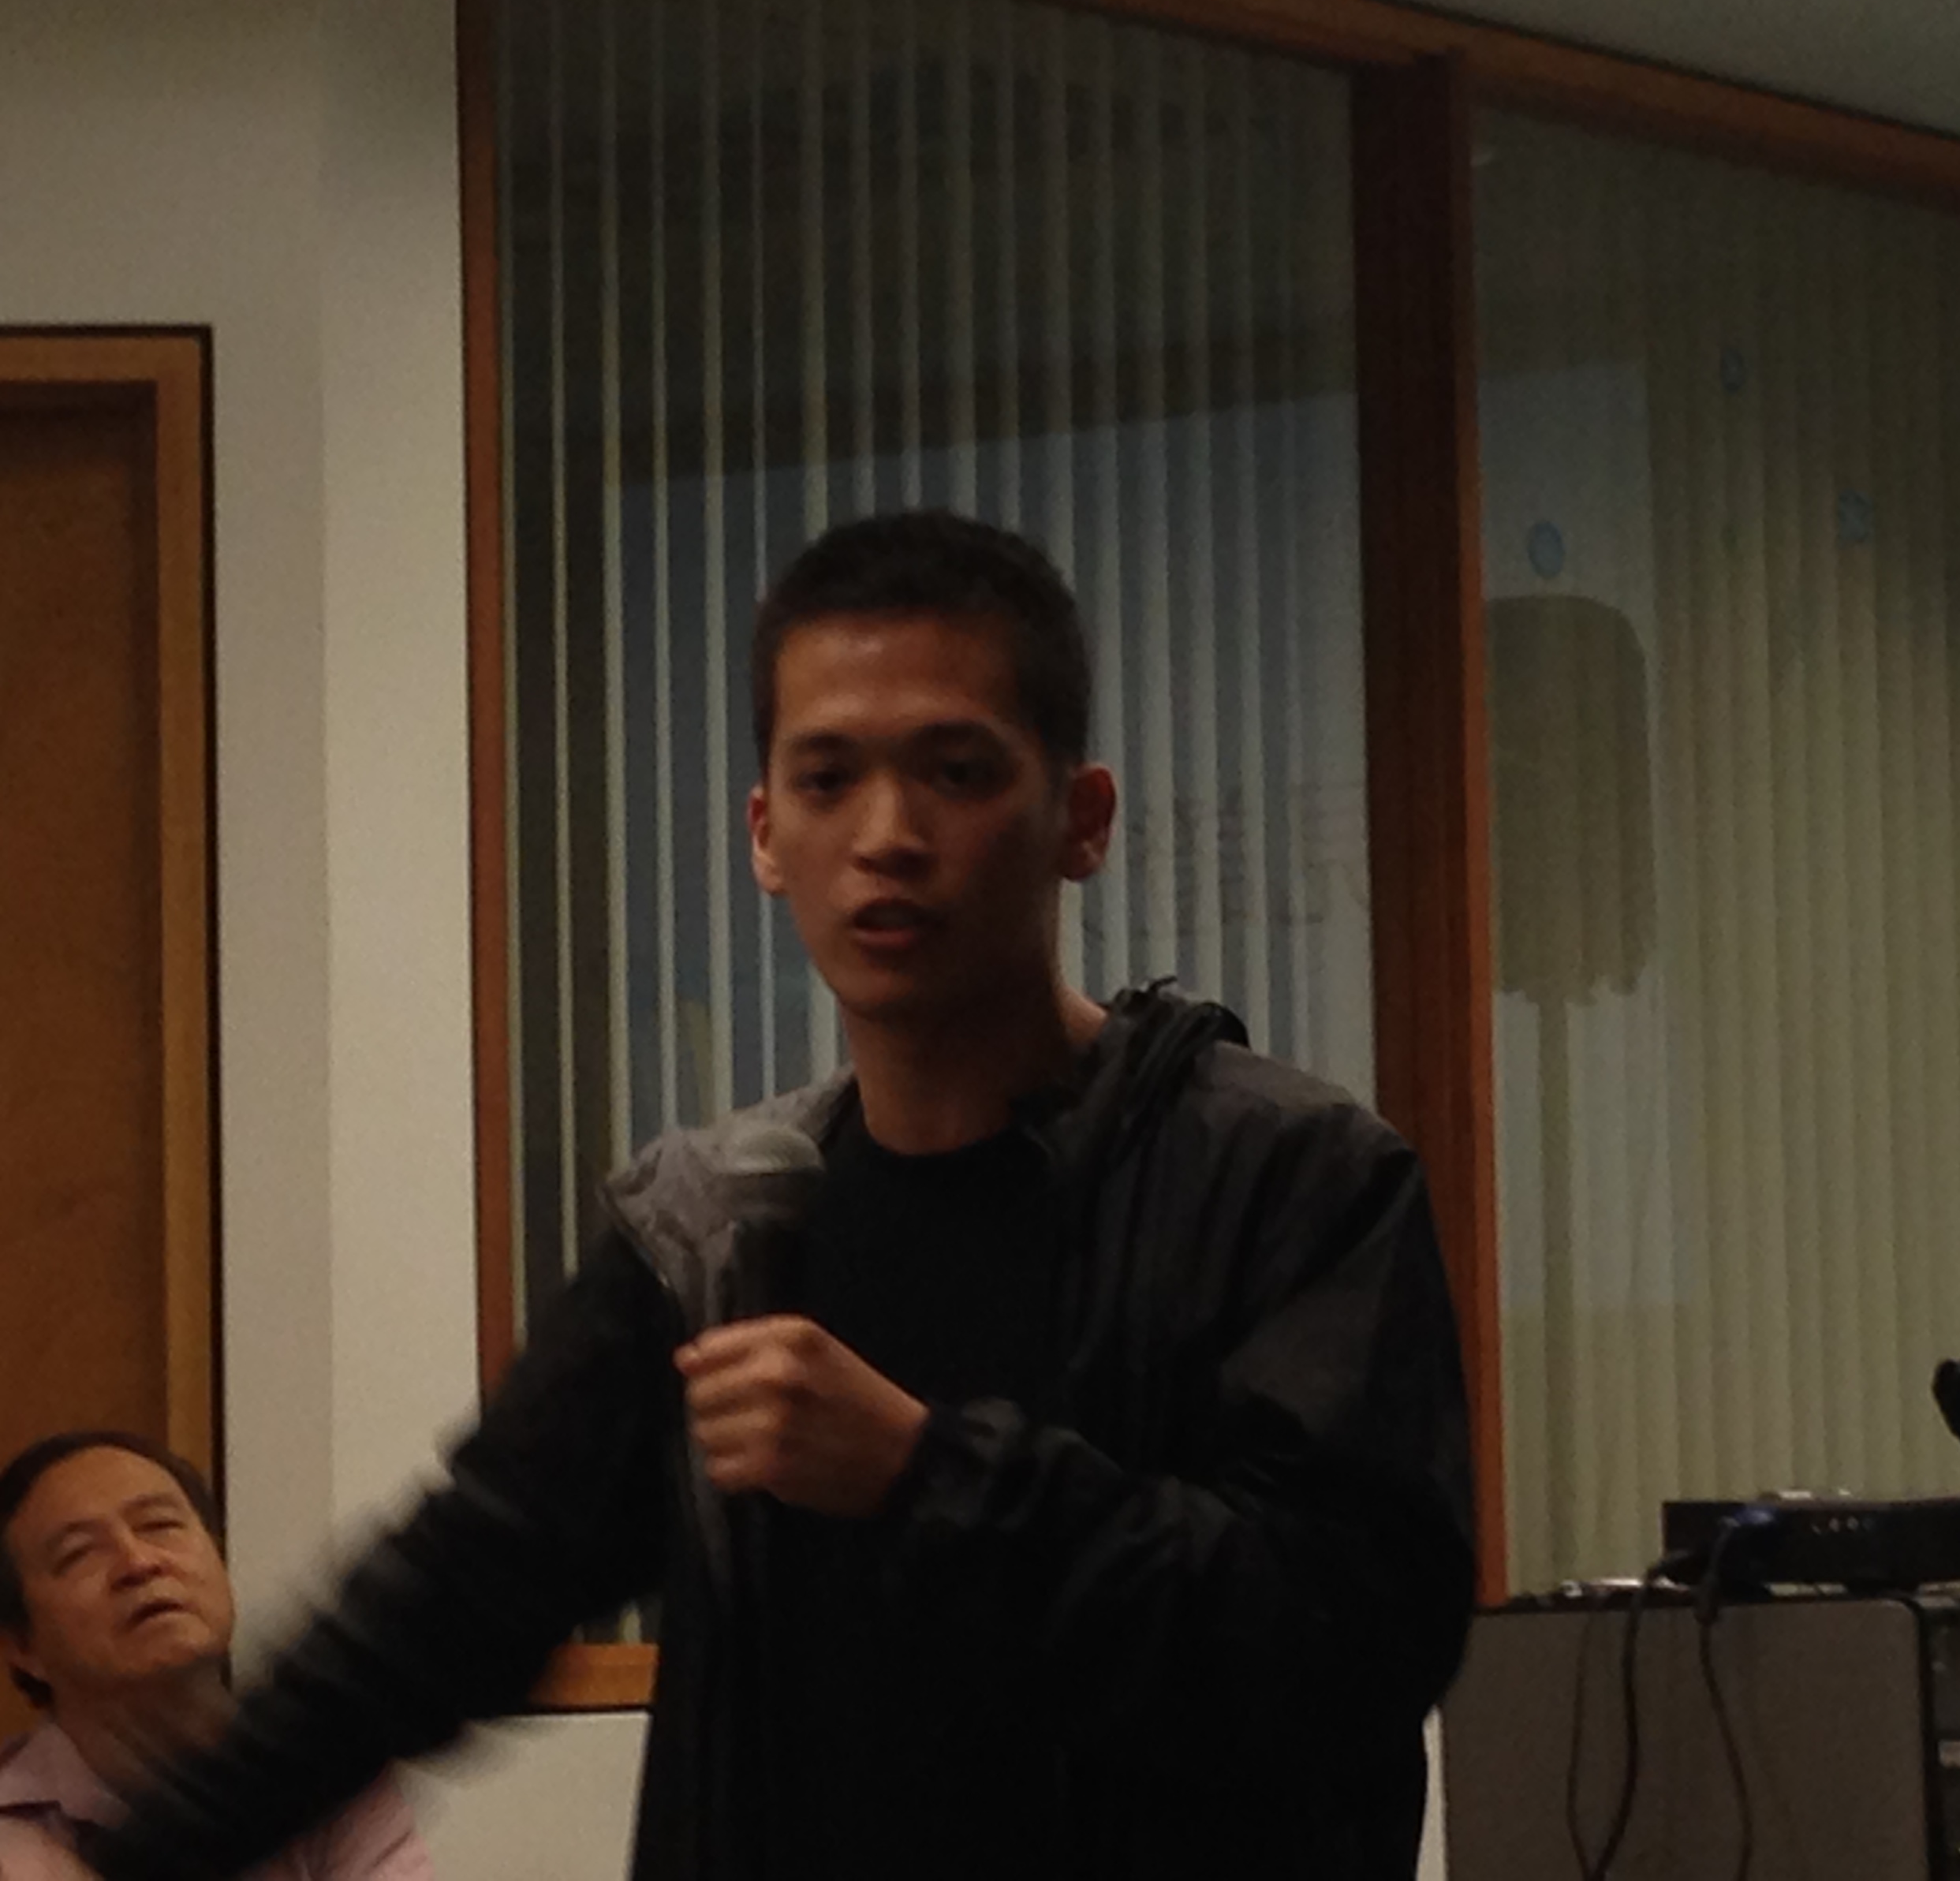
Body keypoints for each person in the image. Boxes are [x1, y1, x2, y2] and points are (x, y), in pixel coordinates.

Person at [89, 509, 1476, 1881]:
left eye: (955, 772)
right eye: (827, 779)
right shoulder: (709, 1236)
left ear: (1082, 817)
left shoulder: (1284, 1176)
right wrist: (151, 1847)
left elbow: (1352, 1641)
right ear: (764, 835)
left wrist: (926, 1473)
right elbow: (456, 1595)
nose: (887, 834)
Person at [0, 1433, 431, 1881]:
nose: (139, 1562)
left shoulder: (329, 1776)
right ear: (22, 1646)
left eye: (160, 1525)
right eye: (79, 1553)